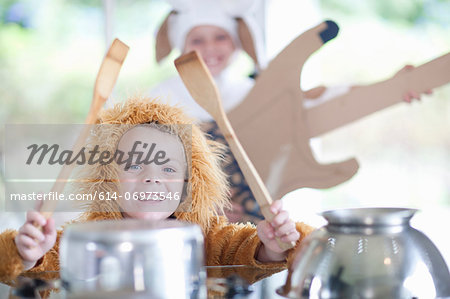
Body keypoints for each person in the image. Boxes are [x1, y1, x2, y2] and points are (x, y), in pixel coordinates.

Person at [150, 0, 431, 224]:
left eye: (220, 36)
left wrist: (394, 86)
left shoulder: (252, 92)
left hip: (252, 233)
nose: (210, 47)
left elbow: (316, 101)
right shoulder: (159, 100)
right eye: (198, 40)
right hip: (179, 229)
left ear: (237, 41)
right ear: (180, 44)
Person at [0, 97, 314, 283]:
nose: (152, 179)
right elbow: (37, 271)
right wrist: (28, 256)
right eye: (135, 165)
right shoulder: (80, 238)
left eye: (168, 169)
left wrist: (271, 247)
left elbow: (245, 252)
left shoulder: (209, 237)